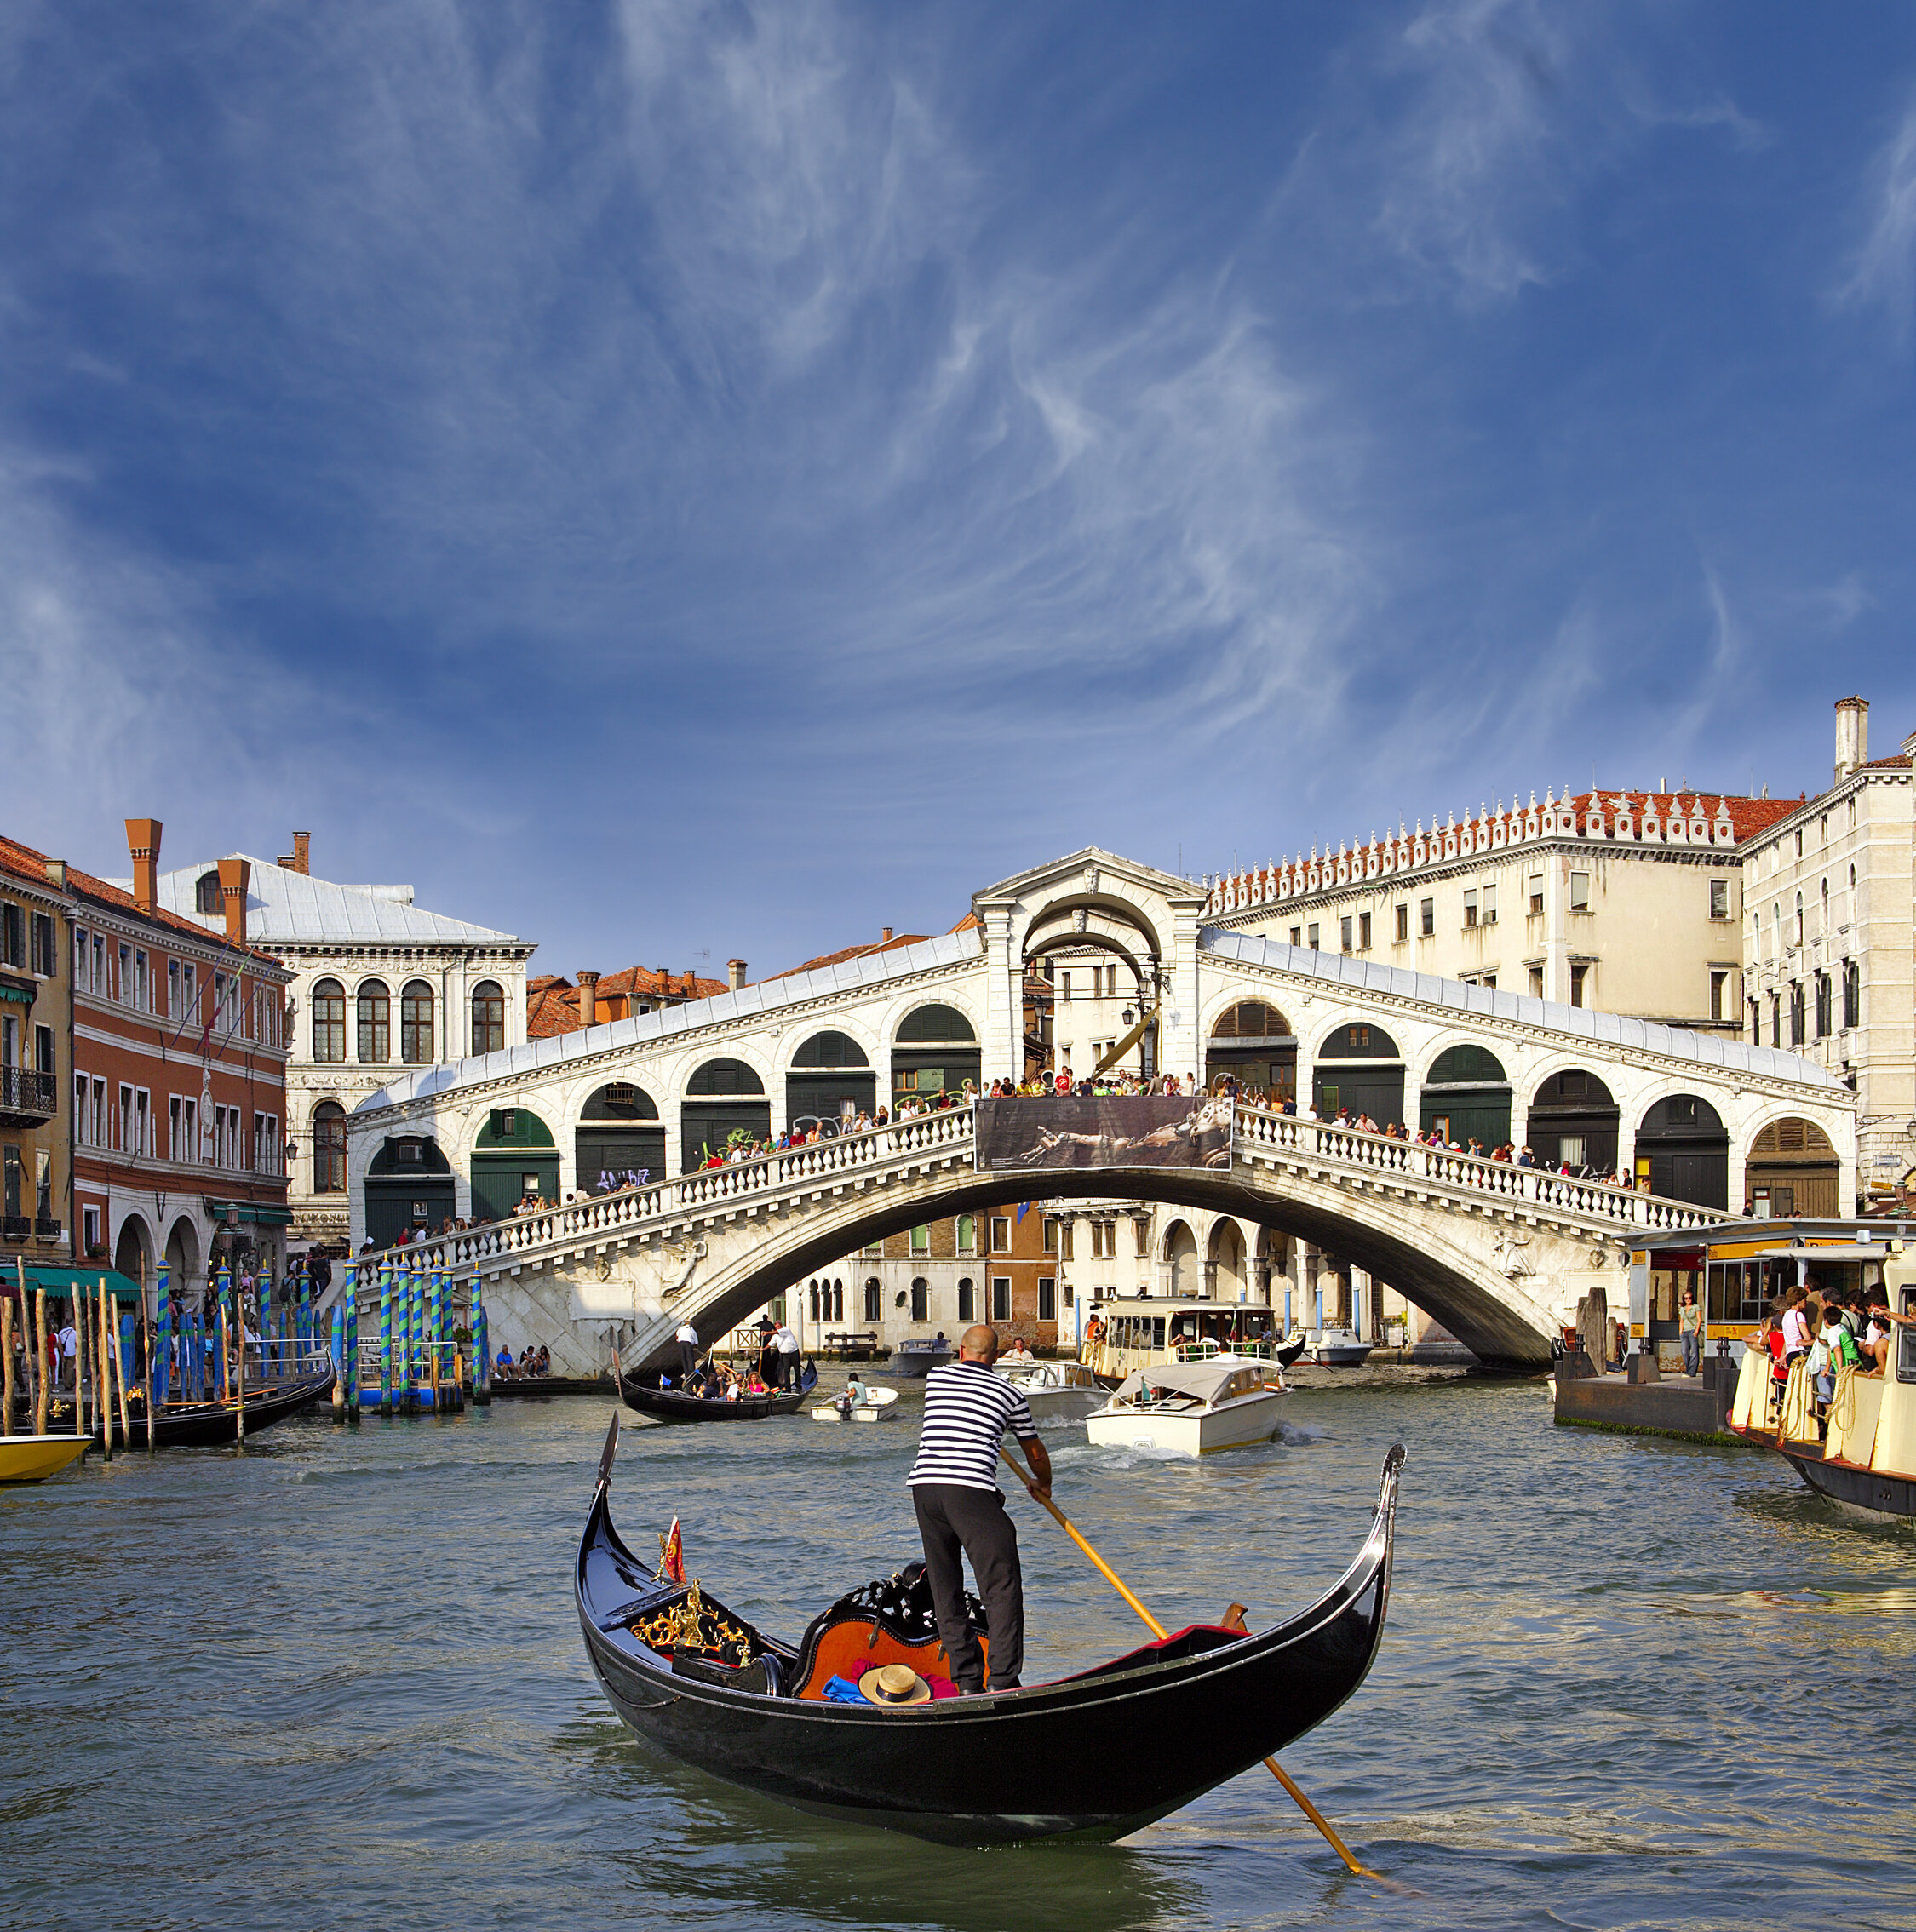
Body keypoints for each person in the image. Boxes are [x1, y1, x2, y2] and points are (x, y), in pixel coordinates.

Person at [908, 1324, 1052, 1695]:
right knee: (1000, 1585)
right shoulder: (1010, 1394)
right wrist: (1043, 1484)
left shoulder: (936, 1380)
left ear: (960, 1351)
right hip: (969, 1491)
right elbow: (1033, 1450)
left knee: (946, 1588)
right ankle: (1002, 1679)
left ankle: (968, 1681)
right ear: (998, 1357)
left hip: (925, 1489)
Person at [1678, 1286, 1702, 1376]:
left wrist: (1696, 1331)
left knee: (1694, 1352)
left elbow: (1699, 1319)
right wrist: (1680, 1331)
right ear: (1684, 1300)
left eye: (1690, 1298)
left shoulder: (1696, 1307)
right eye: (1686, 1298)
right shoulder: (1682, 1309)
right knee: (1684, 1351)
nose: (1688, 1300)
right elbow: (1682, 1320)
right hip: (1684, 1332)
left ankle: (1692, 1372)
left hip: (1692, 1331)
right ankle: (1688, 1369)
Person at [774, 1318, 800, 1389]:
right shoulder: (776, 1335)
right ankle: (787, 1387)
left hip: (794, 1352)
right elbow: (771, 1344)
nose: (777, 1329)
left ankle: (798, 1385)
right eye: (776, 1328)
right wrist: (763, 1349)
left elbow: (777, 1332)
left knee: (797, 1370)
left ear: (781, 1326)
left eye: (778, 1327)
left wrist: (767, 1333)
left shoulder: (786, 1329)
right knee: (786, 1370)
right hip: (784, 1355)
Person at [675, 1319, 699, 1383]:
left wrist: (678, 1340)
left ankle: (687, 1374)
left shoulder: (681, 1328)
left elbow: (677, 1335)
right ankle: (691, 1373)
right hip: (688, 1344)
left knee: (684, 1359)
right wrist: (696, 1347)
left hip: (681, 1344)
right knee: (690, 1358)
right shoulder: (691, 1330)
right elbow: (696, 1340)